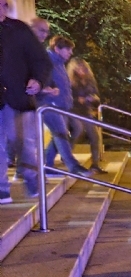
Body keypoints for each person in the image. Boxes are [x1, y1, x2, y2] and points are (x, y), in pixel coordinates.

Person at [0, 0, 51, 202]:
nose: (2, 9)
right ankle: (2, 188)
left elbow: (40, 60)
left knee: (24, 142)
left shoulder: (19, 30)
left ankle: (31, 179)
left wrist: (38, 80)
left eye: (4, 5)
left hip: (18, 97)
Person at [41, 34, 88, 176]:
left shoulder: (59, 63)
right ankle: (73, 166)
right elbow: (40, 81)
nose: (71, 53)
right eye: (68, 50)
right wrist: (49, 89)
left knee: (65, 132)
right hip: (50, 105)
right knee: (61, 133)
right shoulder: (47, 61)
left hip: (63, 105)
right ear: (57, 49)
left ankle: (46, 165)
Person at [66, 54, 103, 173]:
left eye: (83, 68)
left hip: (86, 110)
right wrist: (78, 99)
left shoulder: (89, 80)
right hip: (74, 110)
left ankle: (95, 164)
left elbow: (96, 96)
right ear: (74, 69)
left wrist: (94, 98)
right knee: (78, 131)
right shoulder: (70, 81)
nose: (81, 70)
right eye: (79, 68)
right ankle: (66, 155)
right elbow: (66, 97)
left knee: (95, 136)